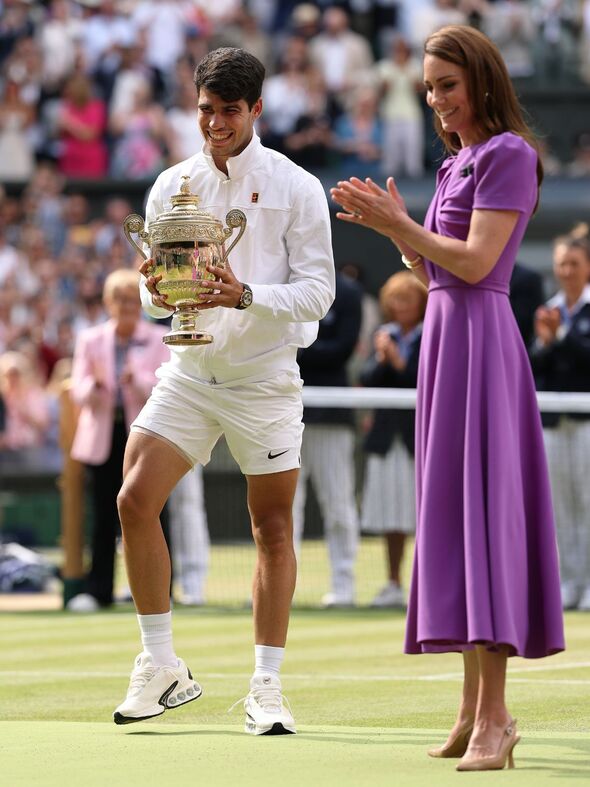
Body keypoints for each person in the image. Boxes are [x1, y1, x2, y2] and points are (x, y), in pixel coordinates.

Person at [330, 25, 564, 772]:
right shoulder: (457, 161)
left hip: (483, 347)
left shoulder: (508, 155)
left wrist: (402, 227)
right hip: (447, 346)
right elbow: (438, 272)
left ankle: (498, 719)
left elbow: (476, 263)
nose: (435, 100)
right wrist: (400, 236)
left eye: (447, 86)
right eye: (429, 88)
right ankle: (470, 711)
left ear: (483, 83)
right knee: (460, 524)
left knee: (485, 524)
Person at [113, 48, 334, 735]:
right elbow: (160, 303)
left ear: (256, 110)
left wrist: (245, 294)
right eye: (205, 109)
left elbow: (318, 293)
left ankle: (266, 685)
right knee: (133, 499)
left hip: (265, 379)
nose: (214, 123)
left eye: (228, 111)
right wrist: (156, 294)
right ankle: (162, 665)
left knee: (271, 527)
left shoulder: (297, 186)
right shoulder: (171, 185)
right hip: (189, 374)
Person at [66, 269, 170, 612]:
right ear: (108, 303)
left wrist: (136, 380)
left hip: (145, 436)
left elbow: (165, 385)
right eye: (119, 299)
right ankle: (99, 590)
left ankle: (159, 590)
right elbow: (77, 386)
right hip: (103, 436)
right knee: (103, 515)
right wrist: (92, 388)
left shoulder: (157, 337)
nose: (126, 306)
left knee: (152, 511)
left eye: (132, 299)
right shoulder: (91, 339)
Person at [293, 269, 362, 607]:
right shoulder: (281, 280)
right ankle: (281, 588)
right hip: (282, 409)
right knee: (284, 507)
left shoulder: (348, 291)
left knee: (338, 503)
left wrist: (299, 347)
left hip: (331, 415)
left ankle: (344, 585)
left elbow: (343, 348)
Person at [530, 234, 590, 611]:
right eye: (562, 264)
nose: (567, 271)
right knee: (561, 508)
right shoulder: (548, 309)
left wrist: (561, 336)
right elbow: (534, 365)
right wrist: (544, 342)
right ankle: (568, 583)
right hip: (554, 423)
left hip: (586, 421)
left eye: (575, 264)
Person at [359, 272, 426, 608]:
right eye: (395, 298)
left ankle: (426, 584)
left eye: (407, 299)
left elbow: (426, 378)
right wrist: (383, 359)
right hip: (387, 438)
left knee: (423, 514)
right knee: (391, 515)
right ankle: (393, 583)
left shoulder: (431, 334)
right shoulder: (383, 334)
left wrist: (400, 361)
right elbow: (366, 378)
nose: (400, 305)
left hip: (421, 438)